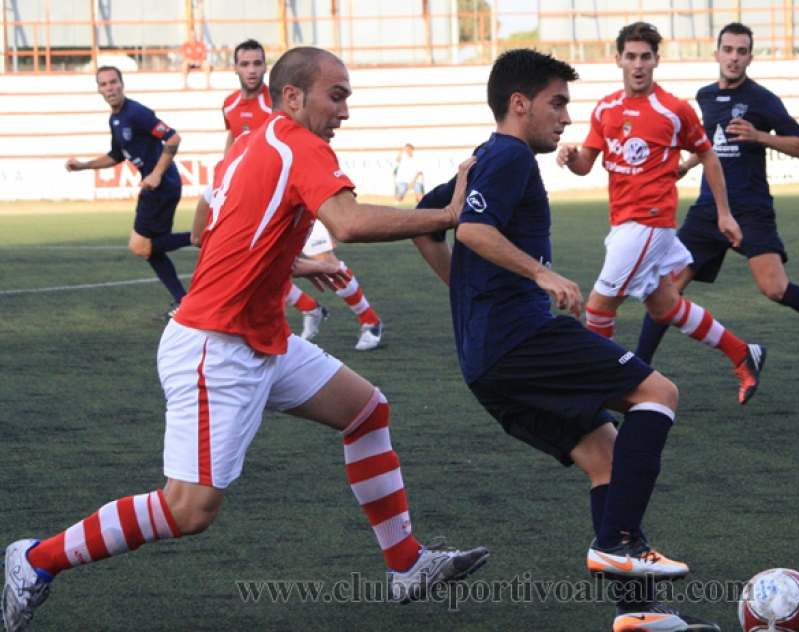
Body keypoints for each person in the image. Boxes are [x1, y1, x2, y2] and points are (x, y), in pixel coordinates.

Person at [2, 47, 488, 632]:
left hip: (258, 338)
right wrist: (446, 216)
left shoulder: (249, 143)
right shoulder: (302, 146)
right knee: (189, 510)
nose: (345, 110)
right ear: (293, 96)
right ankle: (32, 561)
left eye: (347, 97)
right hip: (216, 344)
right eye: (337, 95)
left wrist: (291, 264)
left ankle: (406, 564)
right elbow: (350, 224)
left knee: (366, 411)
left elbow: (211, 233)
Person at [413, 48, 719, 632]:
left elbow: (434, 224)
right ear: (519, 104)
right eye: (557, 104)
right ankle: (619, 540)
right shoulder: (509, 157)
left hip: (487, 363)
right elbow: (472, 228)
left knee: (605, 455)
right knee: (659, 394)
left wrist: (468, 293)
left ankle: (638, 614)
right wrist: (540, 274)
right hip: (520, 339)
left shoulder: (484, 157)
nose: (566, 118)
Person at [635, 23, 799, 370]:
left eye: (741, 51)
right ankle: (638, 371)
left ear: (750, 56)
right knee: (666, 292)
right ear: (716, 53)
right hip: (708, 208)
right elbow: (710, 141)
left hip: (749, 207)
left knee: (775, 288)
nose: (734, 58)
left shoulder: (761, 99)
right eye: (728, 50)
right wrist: (688, 164)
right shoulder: (705, 96)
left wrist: (759, 135)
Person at [556, 22, 765, 405]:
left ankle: (598, 390)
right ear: (618, 59)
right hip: (623, 223)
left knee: (598, 307)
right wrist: (571, 159)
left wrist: (724, 214)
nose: (638, 65)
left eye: (646, 57)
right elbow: (587, 163)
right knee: (667, 307)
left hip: (649, 223)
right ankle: (742, 353)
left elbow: (707, 155)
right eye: (631, 56)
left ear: (656, 61)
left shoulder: (674, 110)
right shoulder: (605, 109)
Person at [220, 38, 384, 349]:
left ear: (267, 68)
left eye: (257, 63)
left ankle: (369, 320)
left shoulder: (280, 101)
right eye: (245, 64)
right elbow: (233, 142)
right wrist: (224, 178)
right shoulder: (230, 105)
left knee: (323, 257)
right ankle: (310, 308)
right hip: (261, 199)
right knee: (254, 260)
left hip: (298, 193)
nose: (251, 70)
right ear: (236, 68)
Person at [65, 66, 192, 320]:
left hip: (160, 187)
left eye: (113, 82)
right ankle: (185, 303)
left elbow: (173, 138)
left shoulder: (137, 113)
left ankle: (202, 235)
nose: (110, 88)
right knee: (150, 249)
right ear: (99, 89)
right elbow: (116, 155)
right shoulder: (115, 119)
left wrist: (155, 174)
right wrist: (84, 166)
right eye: (104, 84)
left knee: (139, 246)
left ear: (122, 84)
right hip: (160, 186)